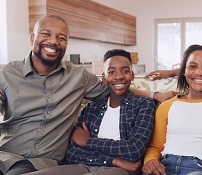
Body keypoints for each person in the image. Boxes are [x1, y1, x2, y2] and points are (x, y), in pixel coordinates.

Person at [0, 15, 173, 175]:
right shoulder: (6, 74)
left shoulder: (79, 77)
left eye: (61, 38)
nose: (53, 41)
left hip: (41, 162)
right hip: (5, 156)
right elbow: (114, 87)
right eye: (46, 34)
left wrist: (152, 94)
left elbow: (115, 89)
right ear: (32, 38)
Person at [23, 49, 156, 175]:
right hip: (88, 165)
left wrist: (88, 142)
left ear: (132, 75)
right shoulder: (91, 108)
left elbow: (134, 150)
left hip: (120, 171)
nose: (119, 76)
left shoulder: (144, 105)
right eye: (111, 72)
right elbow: (72, 152)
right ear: (103, 77)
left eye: (125, 71)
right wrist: (116, 160)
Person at [141, 44, 202, 175]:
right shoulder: (167, 106)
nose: (199, 72)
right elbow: (155, 147)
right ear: (184, 71)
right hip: (164, 168)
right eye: (192, 67)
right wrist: (150, 160)